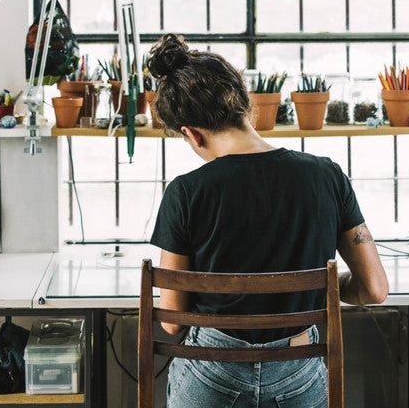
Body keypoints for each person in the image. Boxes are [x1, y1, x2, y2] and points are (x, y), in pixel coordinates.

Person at [146, 33, 389, 408]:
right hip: (298, 375)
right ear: (246, 106)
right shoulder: (327, 176)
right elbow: (374, 289)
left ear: (191, 134)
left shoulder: (185, 193)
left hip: (211, 377)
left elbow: (173, 320)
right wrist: (323, 284)